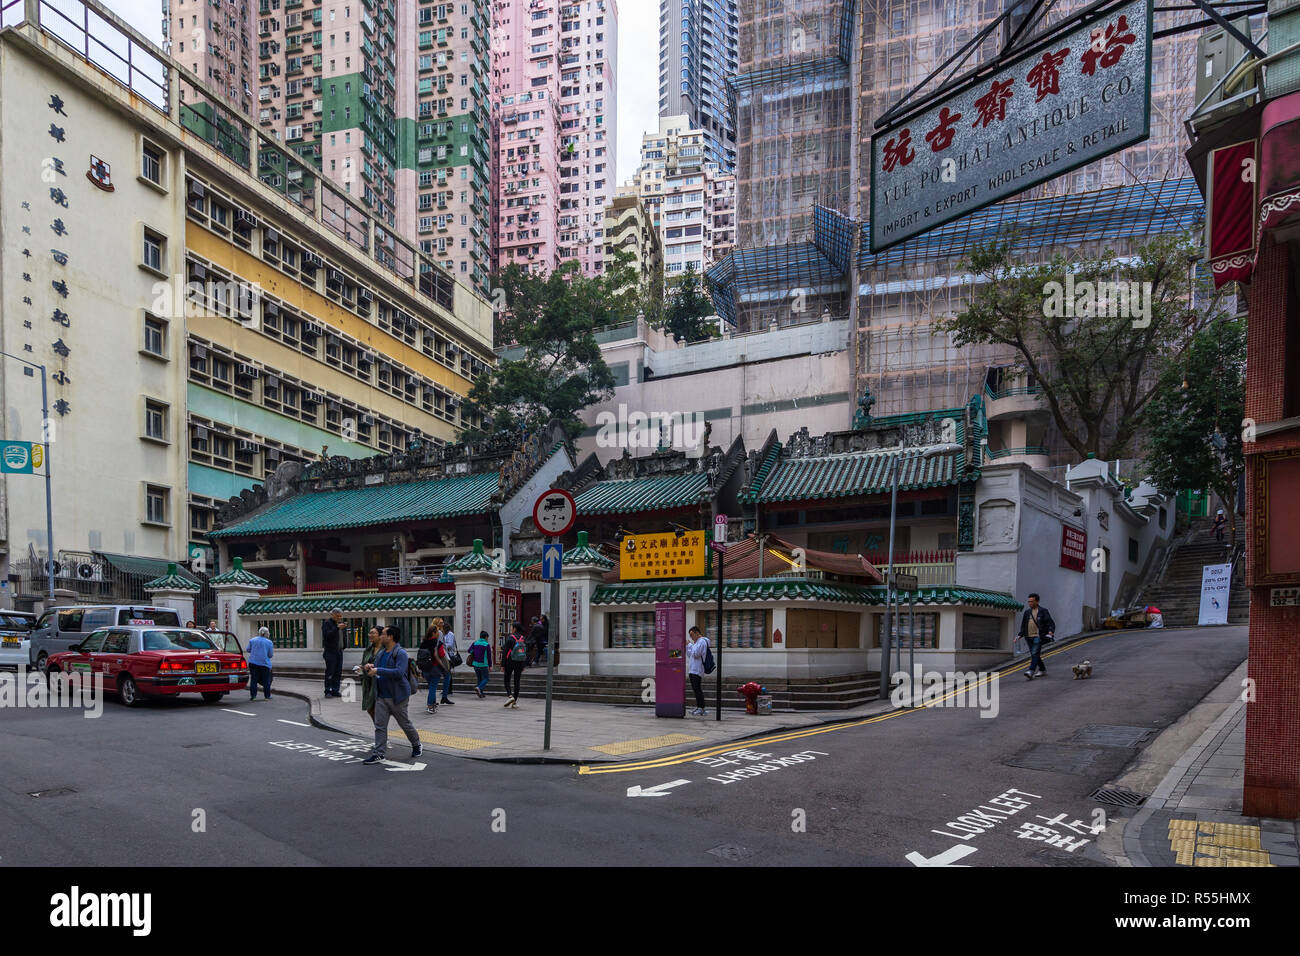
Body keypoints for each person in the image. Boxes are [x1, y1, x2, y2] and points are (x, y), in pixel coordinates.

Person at [362, 625, 422, 765]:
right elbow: (376, 667)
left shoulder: (400, 653)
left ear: (390, 637)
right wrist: (368, 667)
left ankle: (416, 744)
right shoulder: (382, 653)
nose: (380, 636)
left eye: (382, 634)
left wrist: (377, 670)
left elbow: (399, 672)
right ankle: (379, 754)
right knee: (380, 726)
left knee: (404, 724)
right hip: (382, 696)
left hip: (397, 697)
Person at [1018, 593, 1056, 680]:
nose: (1030, 603)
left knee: (1035, 653)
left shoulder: (1043, 611)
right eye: (1029, 602)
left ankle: (1031, 671)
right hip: (1028, 636)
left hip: (1038, 636)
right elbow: (1024, 625)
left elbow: (1050, 622)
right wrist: (1020, 635)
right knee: (1035, 654)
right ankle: (1042, 669)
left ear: (1037, 601)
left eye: (1032, 601)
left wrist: (1050, 631)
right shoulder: (1027, 612)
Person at [353, 625, 382, 719]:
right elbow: (363, 663)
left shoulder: (386, 650)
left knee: (378, 710)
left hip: (380, 684)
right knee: (370, 709)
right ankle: (380, 730)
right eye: (369, 633)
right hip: (368, 683)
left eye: (373, 633)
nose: (370, 635)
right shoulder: (368, 650)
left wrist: (373, 666)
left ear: (381, 635)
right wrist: (361, 668)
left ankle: (380, 730)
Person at [417, 623, 446, 714]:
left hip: (425, 669)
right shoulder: (437, 642)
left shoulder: (423, 643)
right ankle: (430, 705)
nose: (438, 633)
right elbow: (441, 654)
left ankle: (433, 704)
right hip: (434, 668)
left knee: (431, 687)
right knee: (433, 688)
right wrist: (444, 666)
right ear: (434, 632)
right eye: (437, 631)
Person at [502, 621, 528, 708]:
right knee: (517, 681)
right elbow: (525, 652)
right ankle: (514, 701)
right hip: (520, 662)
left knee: (507, 680)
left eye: (511, 627)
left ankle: (510, 696)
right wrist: (524, 664)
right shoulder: (523, 638)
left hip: (510, 661)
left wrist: (502, 664)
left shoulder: (510, 638)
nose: (511, 629)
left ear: (514, 628)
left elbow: (505, 652)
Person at [685, 625, 709, 716]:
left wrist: (690, 644)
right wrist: (688, 646)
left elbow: (696, 654)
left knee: (698, 690)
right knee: (696, 690)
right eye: (690, 635)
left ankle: (701, 708)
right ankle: (699, 707)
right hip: (692, 669)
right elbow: (690, 654)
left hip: (697, 670)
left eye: (692, 635)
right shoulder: (697, 643)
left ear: (697, 633)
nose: (691, 637)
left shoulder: (702, 641)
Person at [247, 626, 274, 700]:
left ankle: (253, 696)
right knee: (266, 680)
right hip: (264, 664)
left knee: (253, 680)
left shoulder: (252, 640)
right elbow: (270, 655)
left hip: (253, 663)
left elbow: (248, 650)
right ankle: (267, 696)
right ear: (267, 633)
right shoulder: (269, 642)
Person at [322, 608, 344, 698]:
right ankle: (328, 690)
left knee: (338, 672)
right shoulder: (327, 623)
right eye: (337, 616)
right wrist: (336, 628)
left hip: (339, 651)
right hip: (330, 651)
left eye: (340, 616)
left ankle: (335, 690)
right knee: (330, 671)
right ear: (332, 615)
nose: (339, 618)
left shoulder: (340, 624)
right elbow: (327, 635)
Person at [438, 617, 458, 705]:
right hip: (444, 655)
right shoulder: (441, 634)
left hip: (449, 655)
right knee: (447, 674)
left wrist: (443, 646)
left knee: (448, 673)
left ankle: (448, 690)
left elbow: (449, 645)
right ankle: (446, 692)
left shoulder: (449, 634)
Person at [468, 630, 492, 698]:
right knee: (486, 678)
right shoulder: (486, 645)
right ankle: (479, 688)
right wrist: (490, 666)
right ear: (486, 637)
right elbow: (489, 657)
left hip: (475, 664)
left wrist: (474, 652)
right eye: (487, 637)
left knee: (479, 678)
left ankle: (480, 693)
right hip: (483, 664)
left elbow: (469, 650)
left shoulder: (475, 643)